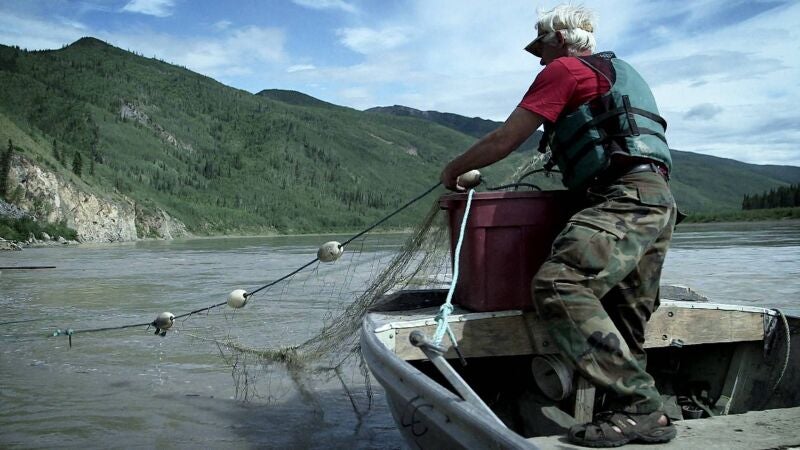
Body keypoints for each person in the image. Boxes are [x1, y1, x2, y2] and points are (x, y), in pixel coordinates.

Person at [440, 4, 677, 448]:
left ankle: (640, 405)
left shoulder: (566, 69)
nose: (540, 60)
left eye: (542, 48)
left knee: (559, 284)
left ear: (562, 40)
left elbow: (505, 138)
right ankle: (636, 416)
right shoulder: (621, 72)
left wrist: (453, 169)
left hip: (622, 196)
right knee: (625, 314)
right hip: (656, 199)